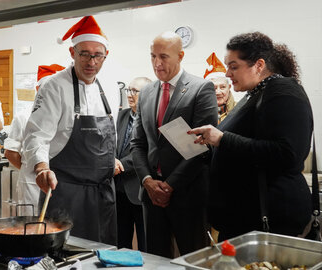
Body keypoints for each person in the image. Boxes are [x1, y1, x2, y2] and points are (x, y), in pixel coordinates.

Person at [188, 32, 313, 241]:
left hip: (269, 221)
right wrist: (208, 148)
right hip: (243, 219)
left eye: (234, 66)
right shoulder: (256, 93)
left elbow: (288, 154)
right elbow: (243, 149)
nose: (227, 73)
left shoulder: (283, 92)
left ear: (259, 65)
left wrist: (222, 139)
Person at [23, 16, 121, 245]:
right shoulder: (54, 86)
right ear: (72, 52)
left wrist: (110, 159)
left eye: (98, 55)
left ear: (106, 56)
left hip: (103, 194)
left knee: (102, 254)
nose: (91, 61)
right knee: (64, 254)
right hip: (66, 192)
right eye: (84, 53)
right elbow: (36, 134)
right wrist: (41, 167)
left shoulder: (109, 86)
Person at [130, 32, 218, 258]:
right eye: (152, 56)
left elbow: (203, 147)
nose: (157, 63)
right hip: (151, 194)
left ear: (180, 56)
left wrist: (169, 186)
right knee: (154, 258)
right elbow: (138, 143)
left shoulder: (201, 88)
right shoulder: (148, 92)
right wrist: (147, 181)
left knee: (194, 258)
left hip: (187, 193)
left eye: (164, 56)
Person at [4, 64, 65, 216]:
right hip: (31, 184)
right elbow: (11, 152)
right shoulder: (23, 116)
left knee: (58, 224)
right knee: (29, 226)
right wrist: (29, 169)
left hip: (61, 183)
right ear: (38, 90)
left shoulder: (67, 118)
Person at [115, 77, 151, 251]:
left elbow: (147, 151)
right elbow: (115, 144)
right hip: (118, 189)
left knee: (145, 243)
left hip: (139, 188)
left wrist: (118, 165)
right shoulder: (122, 115)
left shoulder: (152, 117)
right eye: (128, 90)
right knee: (121, 241)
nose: (130, 95)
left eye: (135, 91)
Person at [204, 52, 236, 124]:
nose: (218, 92)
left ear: (229, 87)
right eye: (214, 88)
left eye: (222, 87)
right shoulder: (199, 110)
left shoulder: (240, 109)